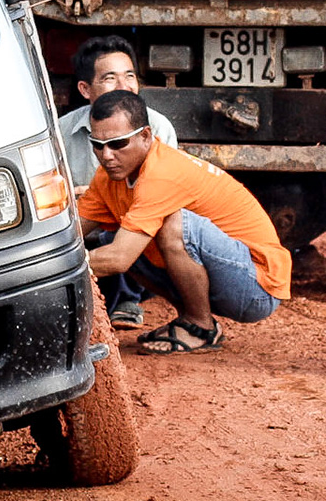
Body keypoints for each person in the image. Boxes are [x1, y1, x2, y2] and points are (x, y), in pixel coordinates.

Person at [79, 89, 290, 354]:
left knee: (170, 226)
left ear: (145, 136)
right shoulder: (107, 177)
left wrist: (51, 270)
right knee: (112, 238)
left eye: (118, 144)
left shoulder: (161, 174)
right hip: (230, 275)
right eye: (97, 145)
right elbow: (74, 231)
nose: (106, 155)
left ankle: (201, 328)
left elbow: (119, 259)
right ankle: (189, 319)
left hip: (257, 289)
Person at [58, 36, 179, 327]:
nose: (124, 86)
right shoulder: (62, 131)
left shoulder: (158, 127)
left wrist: (107, 197)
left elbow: (165, 194)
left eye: (130, 76)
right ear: (85, 89)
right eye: (110, 78)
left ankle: (128, 299)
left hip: (129, 231)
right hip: (84, 228)